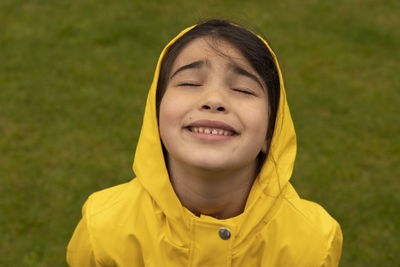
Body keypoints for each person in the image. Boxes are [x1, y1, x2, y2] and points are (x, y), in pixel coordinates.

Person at [67, 19, 343, 266]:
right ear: (155, 115)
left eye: (242, 89)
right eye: (189, 83)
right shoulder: (103, 229)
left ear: (271, 131)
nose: (214, 100)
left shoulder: (313, 242)